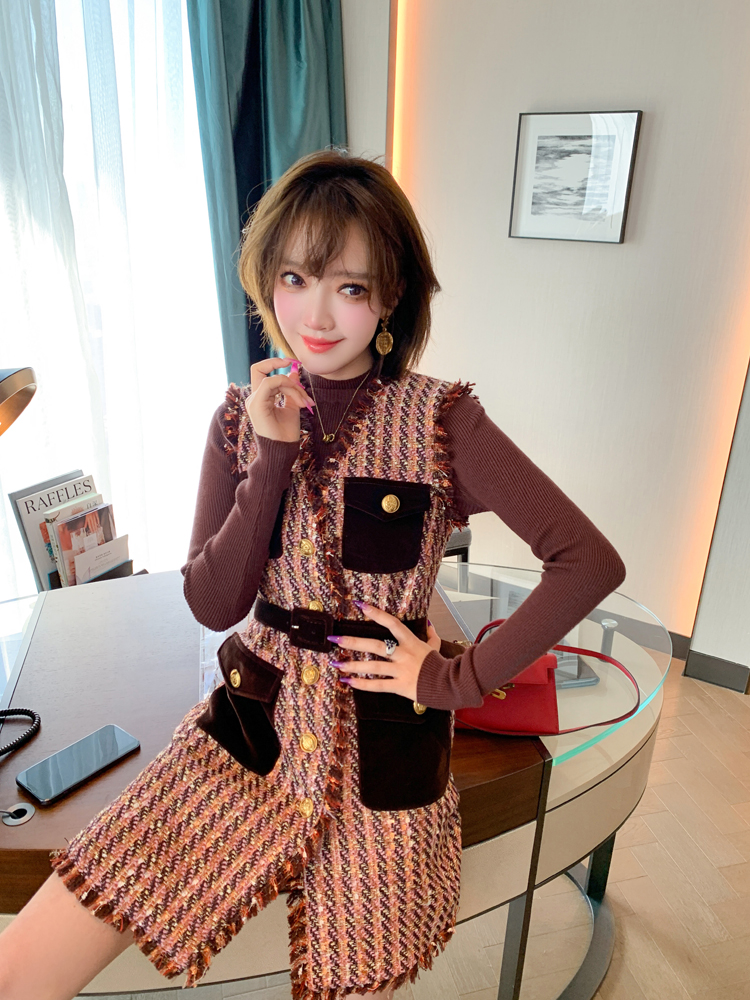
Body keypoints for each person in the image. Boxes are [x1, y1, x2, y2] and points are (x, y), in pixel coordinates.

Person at [0, 150, 625, 1000]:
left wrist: (458, 678)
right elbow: (212, 603)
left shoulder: (444, 421)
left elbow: (588, 561)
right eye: (294, 278)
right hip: (247, 737)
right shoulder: (238, 418)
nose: (317, 314)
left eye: (350, 287)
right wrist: (270, 454)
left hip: (384, 764)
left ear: (391, 296)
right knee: (25, 964)